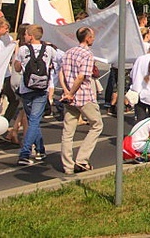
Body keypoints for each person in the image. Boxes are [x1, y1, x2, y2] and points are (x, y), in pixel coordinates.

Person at [60, 27, 103, 175]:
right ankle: (82, 160)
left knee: (68, 131)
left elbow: (61, 73)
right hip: (83, 95)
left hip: (69, 98)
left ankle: (67, 165)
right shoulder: (87, 55)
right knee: (97, 125)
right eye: (92, 36)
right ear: (88, 38)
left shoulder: (69, 52)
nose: (93, 38)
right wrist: (71, 92)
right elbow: (81, 77)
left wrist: (66, 91)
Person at [13, 24, 56, 166]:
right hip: (42, 89)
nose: (24, 36)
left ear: (30, 36)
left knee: (33, 121)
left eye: (26, 34)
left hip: (26, 89)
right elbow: (56, 64)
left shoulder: (23, 49)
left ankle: (25, 153)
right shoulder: (49, 50)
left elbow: (17, 68)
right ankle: (40, 149)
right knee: (34, 121)